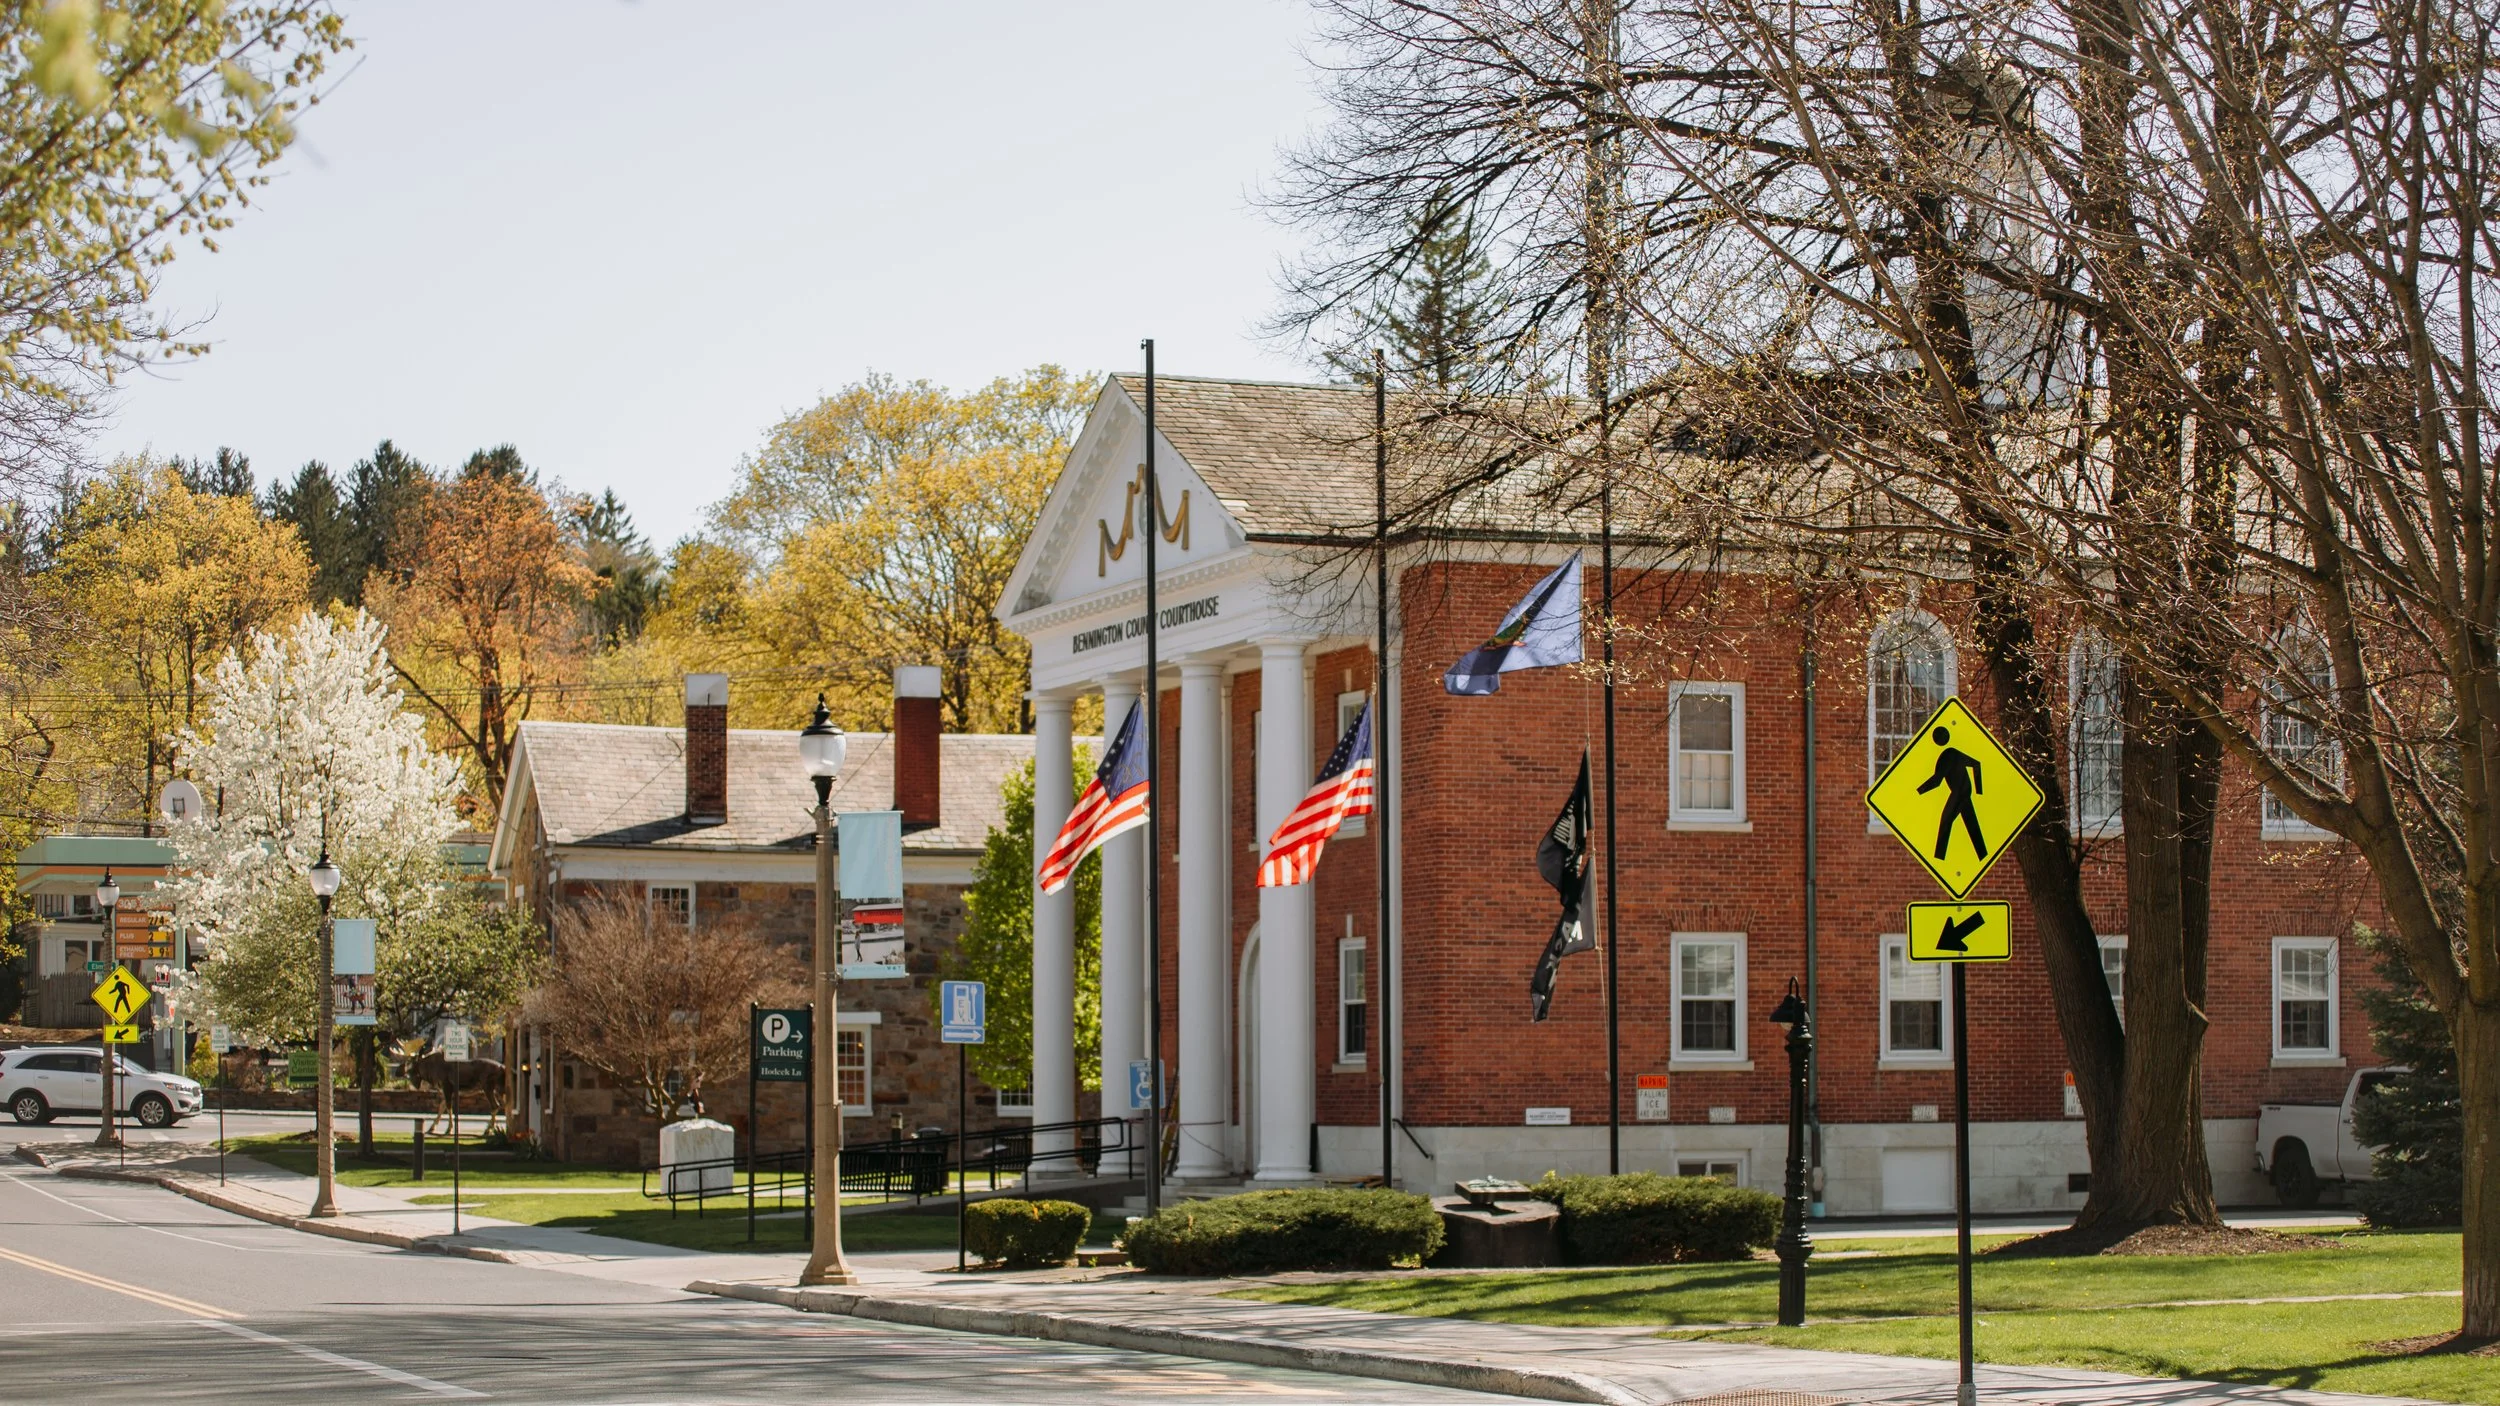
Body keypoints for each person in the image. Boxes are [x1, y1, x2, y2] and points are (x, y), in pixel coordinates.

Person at [1917, 726, 1987, 862]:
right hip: (1964, 791)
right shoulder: (1949, 754)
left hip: (1960, 792)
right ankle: (1982, 855)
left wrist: (1918, 792)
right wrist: (1977, 791)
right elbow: (1976, 765)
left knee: (1945, 821)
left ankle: (1939, 858)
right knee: (1971, 824)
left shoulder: (1948, 755)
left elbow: (1937, 781)